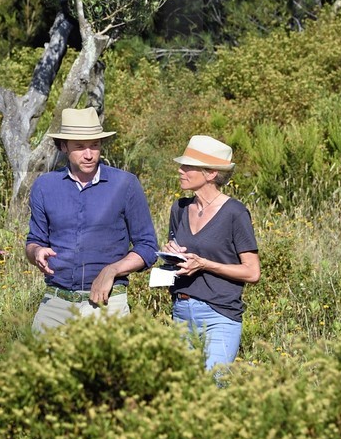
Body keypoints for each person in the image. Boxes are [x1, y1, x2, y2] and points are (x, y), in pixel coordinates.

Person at [26, 107, 159, 334]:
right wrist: (36, 252)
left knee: (106, 371)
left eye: (94, 145)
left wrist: (112, 270)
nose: (89, 154)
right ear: (63, 146)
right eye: (79, 147)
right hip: (55, 304)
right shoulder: (44, 186)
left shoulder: (125, 184)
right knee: (38, 369)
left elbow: (147, 247)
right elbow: (33, 241)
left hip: (107, 304)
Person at [162, 135, 260, 370]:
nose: (180, 170)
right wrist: (170, 253)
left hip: (219, 315)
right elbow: (178, 257)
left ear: (211, 173)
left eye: (188, 166)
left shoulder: (235, 213)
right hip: (181, 311)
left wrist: (205, 264)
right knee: (183, 391)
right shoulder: (180, 208)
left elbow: (252, 272)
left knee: (213, 389)